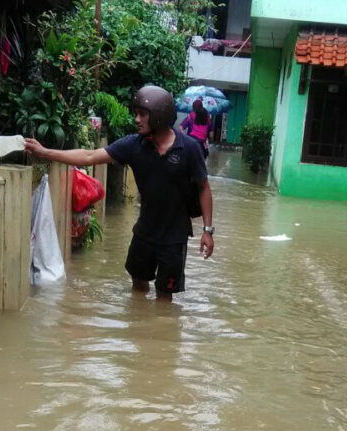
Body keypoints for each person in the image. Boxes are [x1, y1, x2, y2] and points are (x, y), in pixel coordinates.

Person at [24, 85, 215, 301]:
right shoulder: (133, 146)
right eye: (136, 114)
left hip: (175, 238)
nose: (137, 119)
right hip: (144, 233)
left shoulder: (189, 149)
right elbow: (88, 156)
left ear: (159, 116)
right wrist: (45, 152)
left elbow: (203, 188)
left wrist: (207, 231)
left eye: (142, 114)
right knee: (138, 289)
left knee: (165, 299)